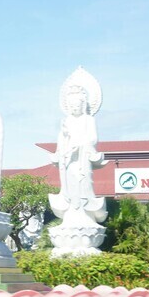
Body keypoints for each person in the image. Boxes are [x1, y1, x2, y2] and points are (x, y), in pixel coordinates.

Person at [50, 85, 105, 219]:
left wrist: (79, 146)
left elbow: (93, 139)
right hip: (69, 159)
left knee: (84, 182)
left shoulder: (88, 120)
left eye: (78, 105)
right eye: (72, 105)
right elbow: (61, 141)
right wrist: (65, 136)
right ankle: (71, 209)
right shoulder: (67, 121)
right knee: (70, 184)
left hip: (83, 158)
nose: (75, 108)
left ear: (83, 105)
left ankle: (85, 209)